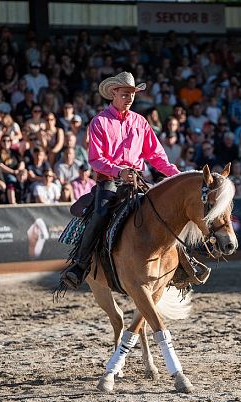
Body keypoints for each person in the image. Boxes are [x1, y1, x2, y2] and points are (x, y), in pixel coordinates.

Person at [63, 71, 180, 289]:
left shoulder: (141, 122)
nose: (129, 98)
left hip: (136, 181)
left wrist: (176, 175)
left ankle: (179, 265)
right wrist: (119, 172)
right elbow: (96, 160)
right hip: (109, 181)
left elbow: (156, 156)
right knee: (100, 213)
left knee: (165, 211)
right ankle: (79, 265)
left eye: (132, 94)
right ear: (113, 93)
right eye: (125, 94)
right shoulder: (99, 122)